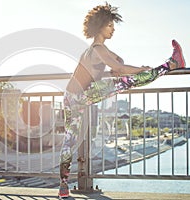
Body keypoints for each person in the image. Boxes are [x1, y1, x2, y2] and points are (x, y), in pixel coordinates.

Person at [58, 2, 186, 198]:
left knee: (69, 141)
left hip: (71, 98)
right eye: (109, 25)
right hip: (81, 96)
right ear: (100, 26)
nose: (113, 29)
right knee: (127, 81)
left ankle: (63, 187)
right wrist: (141, 70)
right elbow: (121, 68)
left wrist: (121, 66)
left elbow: (118, 63)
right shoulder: (98, 49)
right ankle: (172, 63)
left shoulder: (96, 49)